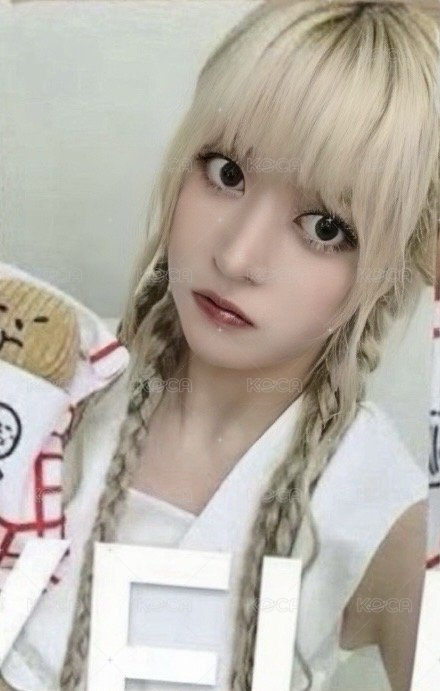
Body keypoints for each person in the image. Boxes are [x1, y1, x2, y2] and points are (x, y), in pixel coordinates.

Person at [1, 0, 439, 689]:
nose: (237, 257)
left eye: (325, 228)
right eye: (227, 173)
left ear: (391, 269)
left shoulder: (383, 512)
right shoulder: (47, 378)